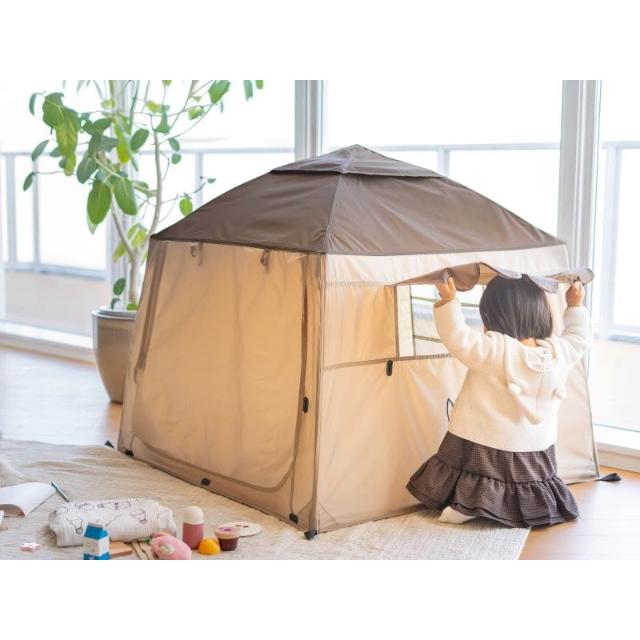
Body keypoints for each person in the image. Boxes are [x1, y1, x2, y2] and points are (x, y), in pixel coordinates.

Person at [406, 274, 590, 527]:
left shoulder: (494, 350)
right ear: (541, 314)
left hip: (483, 439)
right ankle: (517, 506)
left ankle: (468, 504)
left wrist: (449, 301)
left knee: (478, 470)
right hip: (534, 448)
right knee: (522, 477)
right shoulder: (559, 353)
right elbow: (579, 337)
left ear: (492, 316)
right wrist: (575, 305)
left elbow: (458, 337)